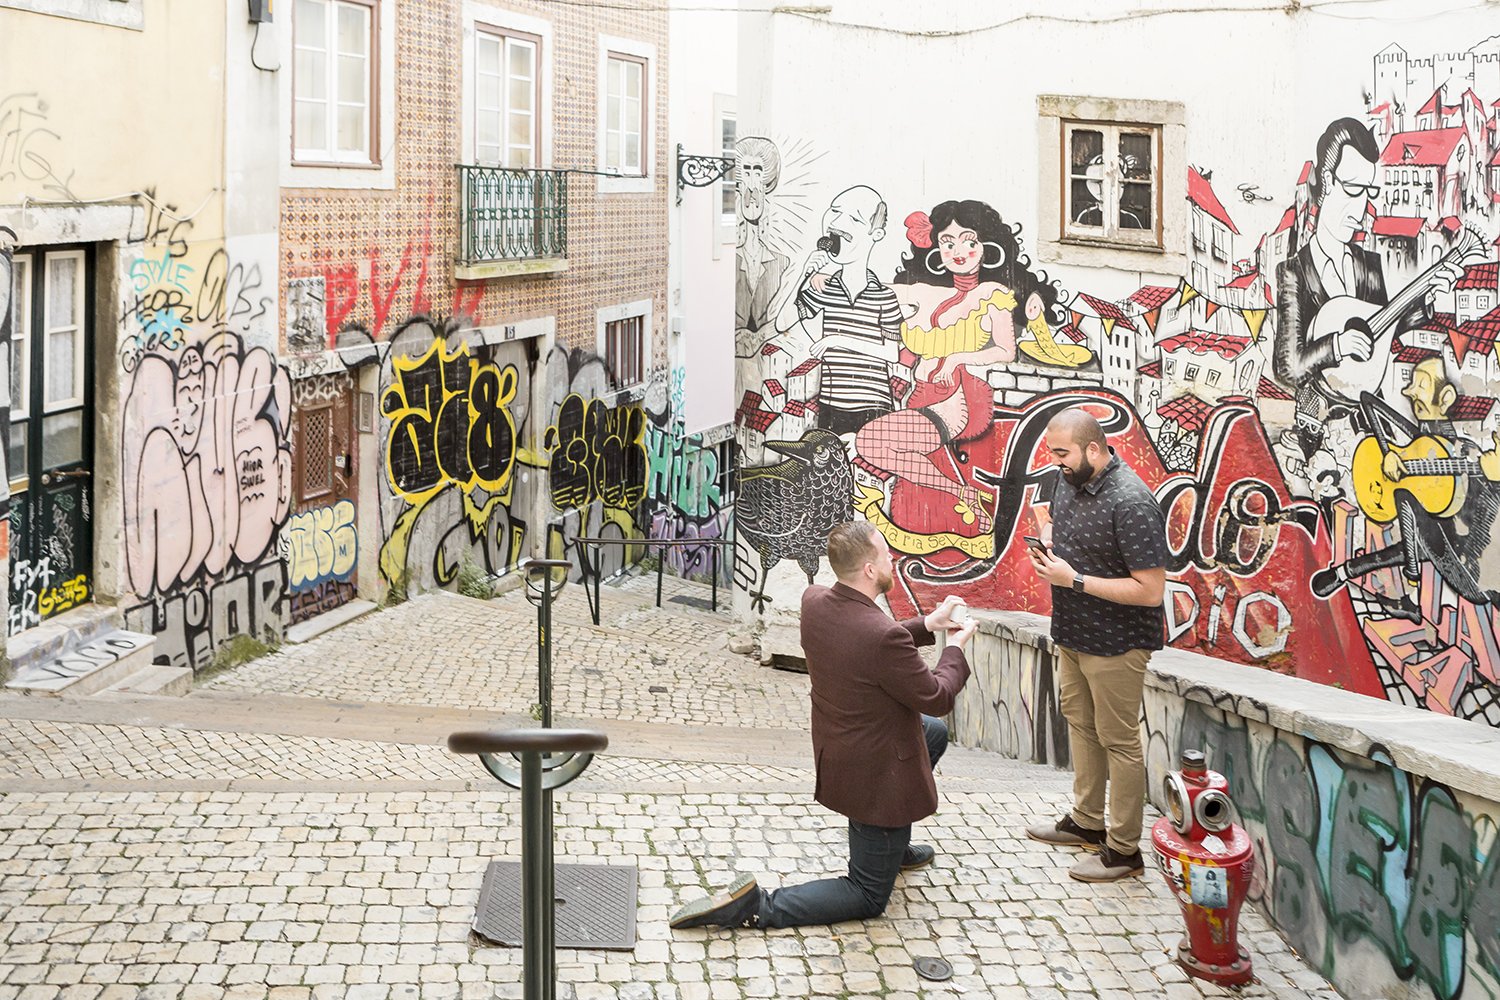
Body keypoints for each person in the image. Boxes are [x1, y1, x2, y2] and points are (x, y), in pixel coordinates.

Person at [670, 521, 976, 930]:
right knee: (867, 894)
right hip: (874, 769)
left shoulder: (814, 600)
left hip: (840, 747)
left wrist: (927, 624)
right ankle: (758, 905)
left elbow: (867, 641)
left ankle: (891, 845)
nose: (893, 559)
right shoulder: (881, 635)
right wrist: (954, 646)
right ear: (870, 569)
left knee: (931, 732)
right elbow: (937, 695)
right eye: (886, 554)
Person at [854, 199, 1066, 536]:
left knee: (871, 440)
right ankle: (958, 498)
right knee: (903, 479)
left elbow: (1005, 350)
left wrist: (957, 358)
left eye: (969, 241)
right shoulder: (924, 294)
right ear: (936, 250)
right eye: (946, 243)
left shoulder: (991, 293)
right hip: (919, 397)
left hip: (955, 398)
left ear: (987, 245)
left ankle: (959, 494)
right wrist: (821, 266)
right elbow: (866, 290)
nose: (958, 251)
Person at [1025, 407, 1167, 882]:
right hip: (1073, 632)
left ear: (1093, 448)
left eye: (1062, 453)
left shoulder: (1132, 502)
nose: (1055, 462)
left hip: (1117, 644)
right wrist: (1047, 537)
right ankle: (1087, 822)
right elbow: (1077, 545)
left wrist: (1075, 580)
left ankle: (1124, 851)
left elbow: (1151, 591)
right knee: (1082, 727)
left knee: (1120, 742)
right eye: (1052, 452)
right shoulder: (1069, 481)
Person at [775, 185, 904, 436]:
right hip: (831, 406)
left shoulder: (884, 296)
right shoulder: (826, 287)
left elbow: (892, 354)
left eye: (854, 218)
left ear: (875, 234)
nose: (837, 221)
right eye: (835, 210)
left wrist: (837, 340)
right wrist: (804, 274)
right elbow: (782, 322)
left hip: (873, 406)